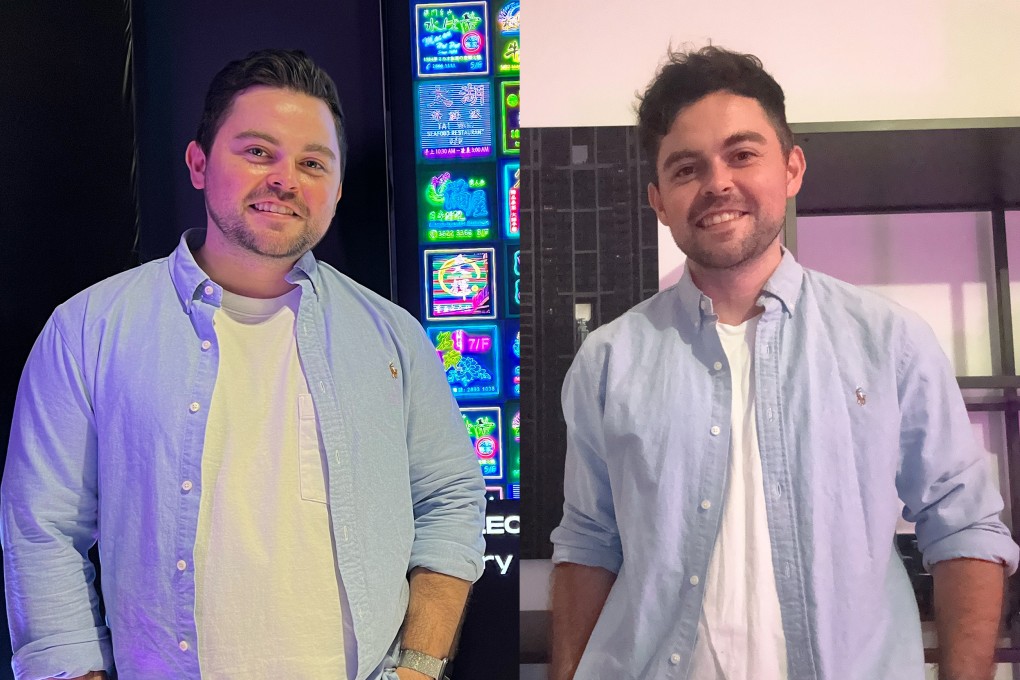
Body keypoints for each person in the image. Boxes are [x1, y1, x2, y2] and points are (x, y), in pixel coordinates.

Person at [1, 49, 485, 680]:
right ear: (200, 164)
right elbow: (42, 529)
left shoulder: (394, 338)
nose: (285, 178)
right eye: (258, 152)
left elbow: (450, 497)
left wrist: (419, 668)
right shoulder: (89, 329)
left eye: (313, 163)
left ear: (336, 190)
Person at [549, 46, 1019, 680]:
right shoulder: (608, 362)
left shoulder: (890, 342)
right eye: (687, 168)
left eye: (742, 155)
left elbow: (965, 528)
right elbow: (587, 544)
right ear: (659, 200)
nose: (717, 183)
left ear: (792, 168)